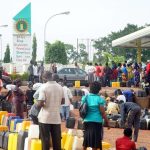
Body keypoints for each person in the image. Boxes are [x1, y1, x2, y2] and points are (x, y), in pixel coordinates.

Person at [37, 71, 64, 150]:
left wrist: (37, 104)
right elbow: (63, 101)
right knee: (57, 141)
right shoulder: (60, 87)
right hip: (56, 118)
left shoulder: (44, 87)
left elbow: (41, 102)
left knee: (45, 141)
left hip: (45, 118)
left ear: (44, 78)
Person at [81, 81, 109, 150]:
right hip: (97, 122)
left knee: (86, 140)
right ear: (98, 89)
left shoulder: (85, 97)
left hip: (86, 121)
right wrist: (107, 122)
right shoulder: (99, 99)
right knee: (95, 143)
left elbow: (82, 109)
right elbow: (102, 112)